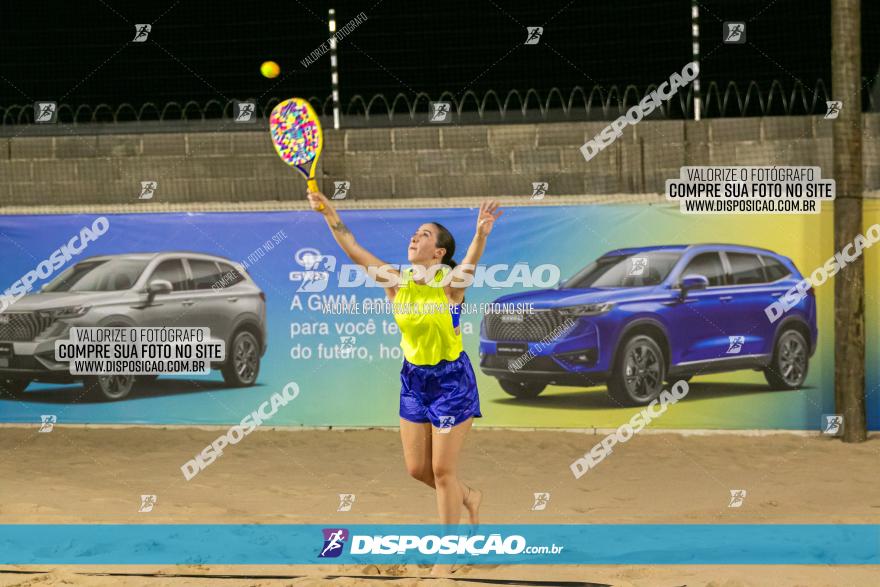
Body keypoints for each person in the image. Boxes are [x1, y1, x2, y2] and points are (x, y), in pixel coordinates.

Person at [307, 190, 503, 574]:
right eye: (415, 233)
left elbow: (470, 264)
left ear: (439, 253)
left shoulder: (450, 286)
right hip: (414, 380)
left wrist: (481, 235)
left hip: (451, 383)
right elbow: (351, 246)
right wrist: (329, 212)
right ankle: (470, 496)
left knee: (443, 470)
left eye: (425, 235)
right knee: (418, 469)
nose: (415, 238)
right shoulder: (396, 282)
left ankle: (445, 560)